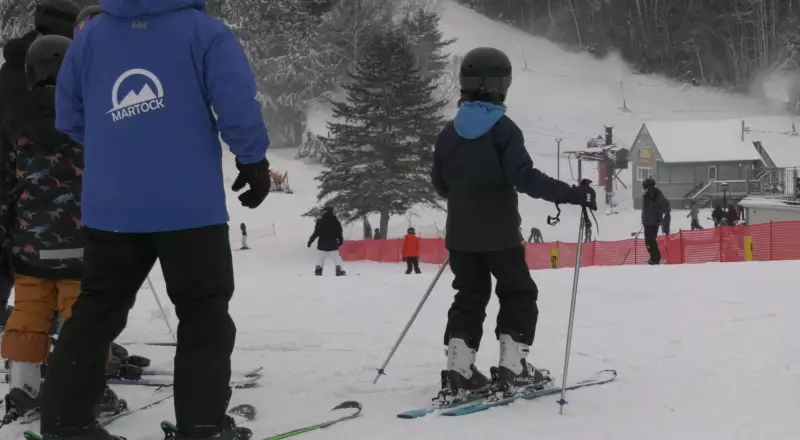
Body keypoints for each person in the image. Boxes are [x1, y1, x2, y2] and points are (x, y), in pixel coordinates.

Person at [42, 0, 271, 439]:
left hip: (111, 207)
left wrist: (120, 147)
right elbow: (235, 102)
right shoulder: (204, 33)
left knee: (96, 310)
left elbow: (69, 116)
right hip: (189, 208)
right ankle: (202, 427)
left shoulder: (90, 36)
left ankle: (65, 423)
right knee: (203, 312)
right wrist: (252, 159)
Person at [431, 46, 597, 397]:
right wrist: (572, 194)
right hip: (501, 235)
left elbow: (440, 184)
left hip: (461, 236)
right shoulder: (503, 130)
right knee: (518, 292)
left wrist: (468, 198)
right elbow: (525, 179)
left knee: (469, 296)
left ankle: (459, 373)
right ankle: (513, 368)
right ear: (502, 83)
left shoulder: (449, 133)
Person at [0, 33, 124, 424]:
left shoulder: (13, 124)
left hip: (29, 249)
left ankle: (24, 390)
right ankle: (89, 390)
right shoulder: (91, 119)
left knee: (29, 312)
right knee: (83, 316)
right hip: (83, 246)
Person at [0, 0, 81, 328]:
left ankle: (41, 339)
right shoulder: (52, 65)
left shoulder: (16, 67)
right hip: (19, 174)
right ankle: (72, 342)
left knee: (25, 263)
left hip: (18, 173)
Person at [307, 207, 345, 276]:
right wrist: (340, 241)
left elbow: (316, 233)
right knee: (337, 259)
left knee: (320, 258)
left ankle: (318, 269)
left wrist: (310, 241)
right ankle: (338, 269)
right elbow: (339, 232)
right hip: (333, 244)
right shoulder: (336, 221)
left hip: (322, 244)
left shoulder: (320, 221)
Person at [641, 177, 670, 265]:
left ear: (648, 186)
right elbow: (646, 210)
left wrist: (660, 216)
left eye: (645, 186)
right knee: (648, 242)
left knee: (651, 240)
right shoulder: (646, 196)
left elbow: (666, 205)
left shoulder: (658, 195)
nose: (644, 189)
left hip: (654, 222)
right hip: (647, 222)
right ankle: (653, 258)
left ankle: (657, 259)